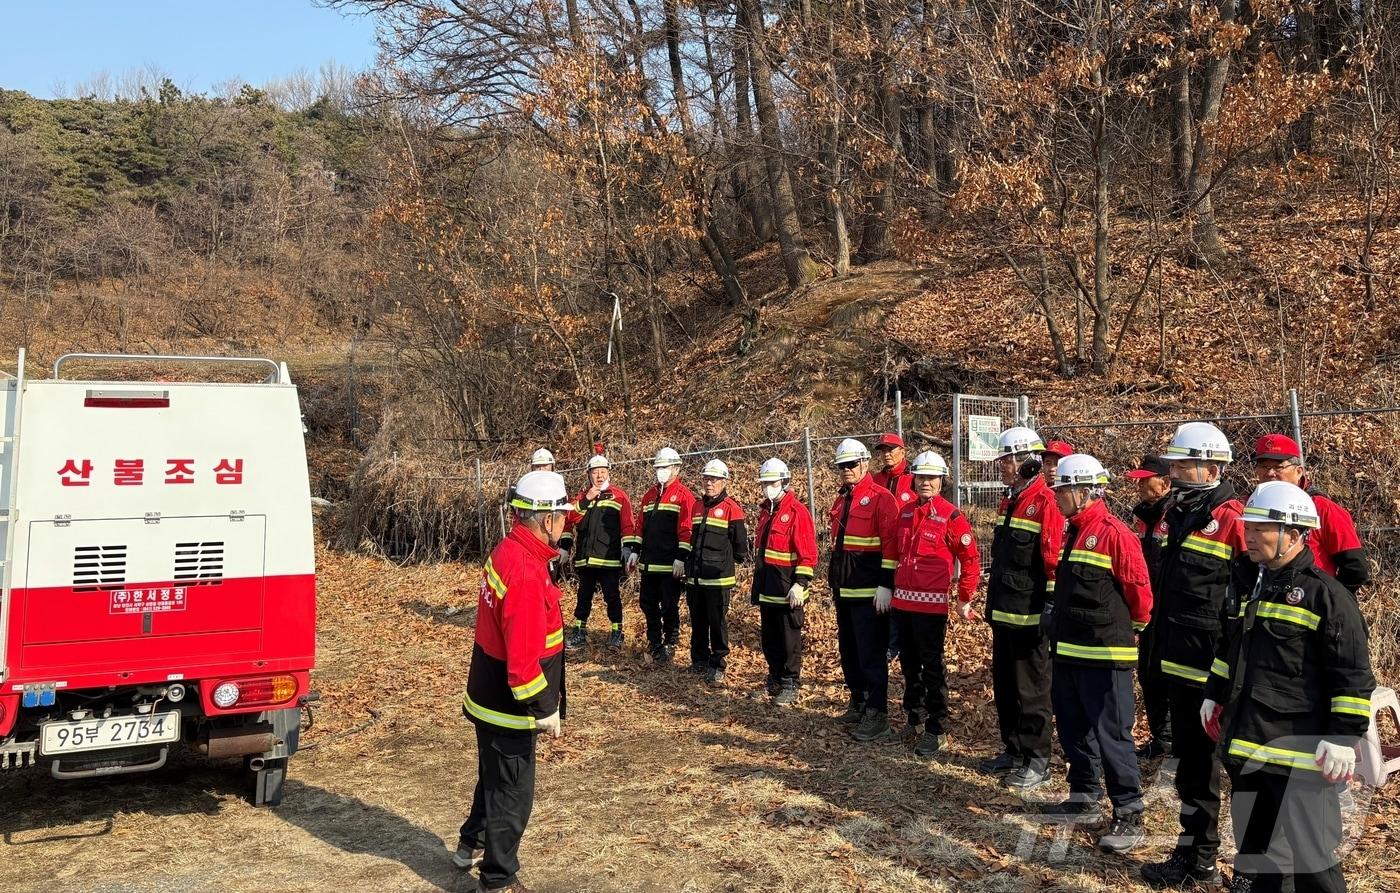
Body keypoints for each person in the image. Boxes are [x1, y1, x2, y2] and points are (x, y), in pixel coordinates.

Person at [1204, 481, 1374, 893]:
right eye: (1247, 526)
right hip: (1249, 747)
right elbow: (1233, 648)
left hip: (1300, 760)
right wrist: (1214, 691)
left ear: (1294, 534)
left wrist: (1342, 737)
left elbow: (1352, 675)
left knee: (1312, 864)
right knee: (1257, 859)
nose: (1248, 535)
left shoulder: (1328, 598)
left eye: (1260, 528)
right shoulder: (1253, 586)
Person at [1142, 423, 1257, 889]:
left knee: (1244, 772)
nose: (1172, 471)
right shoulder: (1173, 513)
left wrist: (1232, 678)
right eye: (1171, 463)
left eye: (1181, 463)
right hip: (1177, 667)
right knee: (1192, 769)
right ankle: (1195, 857)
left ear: (1211, 465)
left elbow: (1250, 605)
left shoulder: (1235, 520)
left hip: (1220, 673)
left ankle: (1254, 870)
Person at [456, 470, 569, 893]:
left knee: (493, 776)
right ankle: (499, 878)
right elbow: (522, 666)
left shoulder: (510, 550)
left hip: (488, 695)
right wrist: (545, 709)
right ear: (544, 519)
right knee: (512, 796)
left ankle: (470, 842)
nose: (564, 522)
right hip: (509, 706)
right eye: (560, 515)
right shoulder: (524, 571)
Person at [1040, 454, 1153, 854]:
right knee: (1073, 728)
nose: (1056, 498)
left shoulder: (1114, 534)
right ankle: (1084, 794)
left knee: (1112, 735)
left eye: (1062, 490)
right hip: (1069, 652)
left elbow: (1140, 595)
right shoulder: (1074, 530)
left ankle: (1128, 812)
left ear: (1084, 492)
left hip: (1105, 656)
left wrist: (1131, 632)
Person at [979, 426, 1063, 791]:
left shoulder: (1047, 502)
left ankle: (1037, 758)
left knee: (1032, 688)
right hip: (1004, 612)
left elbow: (1053, 560)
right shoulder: (1009, 500)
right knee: (1005, 684)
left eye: (1008, 460)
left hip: (1030, 616)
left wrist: (1049, 606)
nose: (1002, 466)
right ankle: (1013, 749)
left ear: (1027, 462)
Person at [891, 450, 980, 757]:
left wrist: (964, 597)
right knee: (908, 667)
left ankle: (937, 728)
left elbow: (970, 560)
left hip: (931, 609)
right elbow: (895, 555)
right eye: (921, 477)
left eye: (931, 477)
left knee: (932, 668)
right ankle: (913, 720)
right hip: (902, 604)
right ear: (913, 479)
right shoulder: (904, 513)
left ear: (942, 480)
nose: (925, 482)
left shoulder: (951, 516)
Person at [827, 437, 901, 742]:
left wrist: (886, 584)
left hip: (870, 592)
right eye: (841, 466)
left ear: (864, 463)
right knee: (849, 652)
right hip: (845, 590)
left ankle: (877, 713)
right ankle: (858, 701)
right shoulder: (841, 499)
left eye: (851, 464)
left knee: (871, 655)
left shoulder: (882, 498)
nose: (846, 470)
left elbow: (891, 544)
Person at [1251, 434, 1368, 594]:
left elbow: (1355, 568)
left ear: (1299, 471)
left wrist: (1329, 599)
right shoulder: (1251, 507)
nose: (1270, 473)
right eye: (1263, 466)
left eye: (1278, 467)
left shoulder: (1323, 509)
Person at [750, 458, 818, 705]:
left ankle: (790, 683)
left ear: (785, 482)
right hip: (768, 588)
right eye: (765, 483)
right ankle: (775, 679)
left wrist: (801, 583)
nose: (768, 486)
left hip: (788, 589)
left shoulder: (796, 512)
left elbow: (807, 553)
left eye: (773, 482)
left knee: (789, 641)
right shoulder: (766, 512)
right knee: (770, 640)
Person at [561, 453, 637, 651]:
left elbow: (628, 525)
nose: (600, 476)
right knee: (583, 596)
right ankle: (579, 630)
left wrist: (628, 549)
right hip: (585, 559)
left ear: (609, 473)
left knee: (612, 596)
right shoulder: (581, 497)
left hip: (608, 559)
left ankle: (617, 632)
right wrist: (586, 499)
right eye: (595, 472)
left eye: (603, 472)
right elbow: (570, 519)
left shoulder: (619, 496)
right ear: (589, 474)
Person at [1128, 453, 1175, 760]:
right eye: (1139, 481)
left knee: (1170, 676)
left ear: (1166, 483)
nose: (1141, 487)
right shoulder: (1143, 516)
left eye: (1147, 481)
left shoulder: (1174, 515)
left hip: (1172, 610)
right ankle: (1163, 737)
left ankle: (1176, 741)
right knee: (1147, 672)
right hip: (1149, 608)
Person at [685, 459, 748, 685]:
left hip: (719, 579)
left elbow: (741, 546)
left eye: (714, 479)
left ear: (723, 482)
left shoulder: (732, 509)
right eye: (706, 479)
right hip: (695, 577)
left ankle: (718, 664)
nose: (709, 483)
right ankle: (699, 660)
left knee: (717, 623)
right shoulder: (696, 506)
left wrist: (727, 563)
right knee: (698, 620)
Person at [631, 448, 696, 664]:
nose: (661, 471)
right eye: (658, 467)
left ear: (676, 469)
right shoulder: (649, 496)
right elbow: (640, 527)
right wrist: (634, 552)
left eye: (665, 467)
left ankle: (671, 640)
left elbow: (686, 530)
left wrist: (681, 557)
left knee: (669, 604)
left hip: (670, 566)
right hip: (648, 564)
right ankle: (654, 641)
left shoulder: (684, 496)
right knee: (647, 604)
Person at [874, 432, 917, 661]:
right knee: (883, 592)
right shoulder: (876, 479)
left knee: (901, 594)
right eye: (883, 450)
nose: (887, 454)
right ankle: (886, 642)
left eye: (891, 449)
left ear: (902, 452)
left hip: (906, 547)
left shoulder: (914, 478)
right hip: (880, 546)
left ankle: (898, 642)